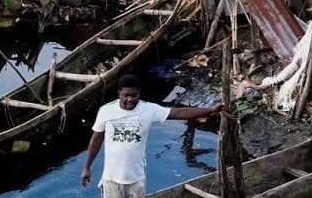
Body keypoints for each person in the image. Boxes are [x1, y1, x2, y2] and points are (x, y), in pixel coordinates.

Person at [81, 74, 223, 197]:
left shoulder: (148, 110)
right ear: (119, 93)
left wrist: (210, 110)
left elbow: (178, 113)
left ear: (139, 93)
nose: (130, 99)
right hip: (111, 179)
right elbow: (97, 139)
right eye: (126, 95)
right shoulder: (106, 111)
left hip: (136, 180)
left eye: (134, 95)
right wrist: (87, 167)